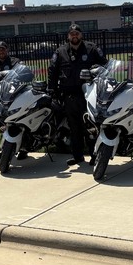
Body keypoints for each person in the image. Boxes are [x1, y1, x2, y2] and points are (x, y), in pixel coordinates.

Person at [48, 23, 107, 166]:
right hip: (69, 96)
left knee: (90, 127)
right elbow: (52, 72)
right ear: (68, 36)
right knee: (74, 128)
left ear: (81, 35)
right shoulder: (61, 52)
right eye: (72, 34)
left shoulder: (91, 49)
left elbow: (105, 66)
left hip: (89, 96)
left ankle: (94, 155)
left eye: (77, 33)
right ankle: (78, 156)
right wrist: (52, 91)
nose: (74, 36)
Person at [0, 41, 28, 161]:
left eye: (3, 49)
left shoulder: (15, 62)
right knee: (2, 123)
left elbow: (24, 74)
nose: (1, 51)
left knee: (19, 121)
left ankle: (23, 148)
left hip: (15, 96)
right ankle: (5, 150)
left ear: (7, 50)